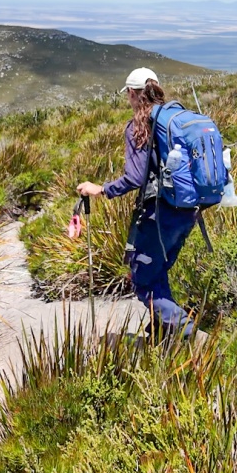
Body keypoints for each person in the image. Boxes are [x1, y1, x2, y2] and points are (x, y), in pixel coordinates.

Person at [77, 67, 198, 338]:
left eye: (128, 95)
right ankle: (164, 332)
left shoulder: (139, 126)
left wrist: (101, 189)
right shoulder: (175, 119)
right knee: (157, 270)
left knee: (144, 279)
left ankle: (189, 335)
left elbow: (134, 177)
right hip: (189, 211)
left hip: (160, 214)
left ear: (132, 93)